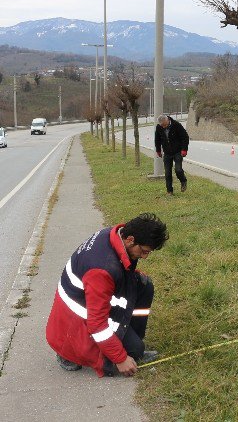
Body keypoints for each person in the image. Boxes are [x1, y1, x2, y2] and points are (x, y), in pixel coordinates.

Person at [46, 213, 168, 377]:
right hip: (76, 323)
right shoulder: (102, 270)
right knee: (134, 351)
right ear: (130, 239)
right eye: (144, 251)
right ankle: (67, 353)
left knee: (145, 285)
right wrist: (120, 358)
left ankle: (131, 340)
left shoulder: (115, 235)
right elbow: (96, 324)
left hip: (91, 299)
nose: (145, 256)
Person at [154, 114, 189, 195]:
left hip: (178, 151)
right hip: (167, 153)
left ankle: (183, 180)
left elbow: (185, 137)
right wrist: (158, 150)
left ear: (167, 121)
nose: (163, 127)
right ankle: (169, 191)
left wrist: (184, 149)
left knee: (178, 170)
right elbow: (157, 140)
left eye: (164, 125)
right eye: (161, 125)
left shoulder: (176, 125)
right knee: (168, 173)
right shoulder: (159, 127)